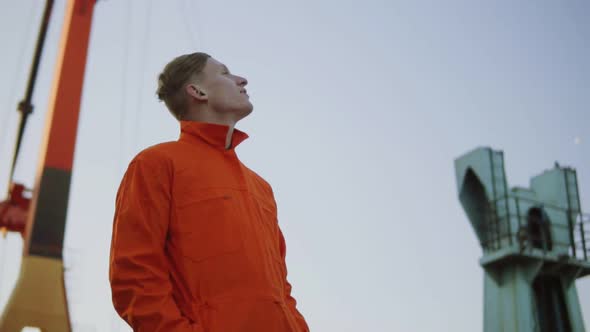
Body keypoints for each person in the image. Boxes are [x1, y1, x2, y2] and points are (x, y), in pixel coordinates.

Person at [109, 52, 309, 332]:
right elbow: (134, 275)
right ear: (197, 91)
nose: (242, 79)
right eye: (225, 73)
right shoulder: (156, 163)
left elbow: (282, 287)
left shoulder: (261, 187)